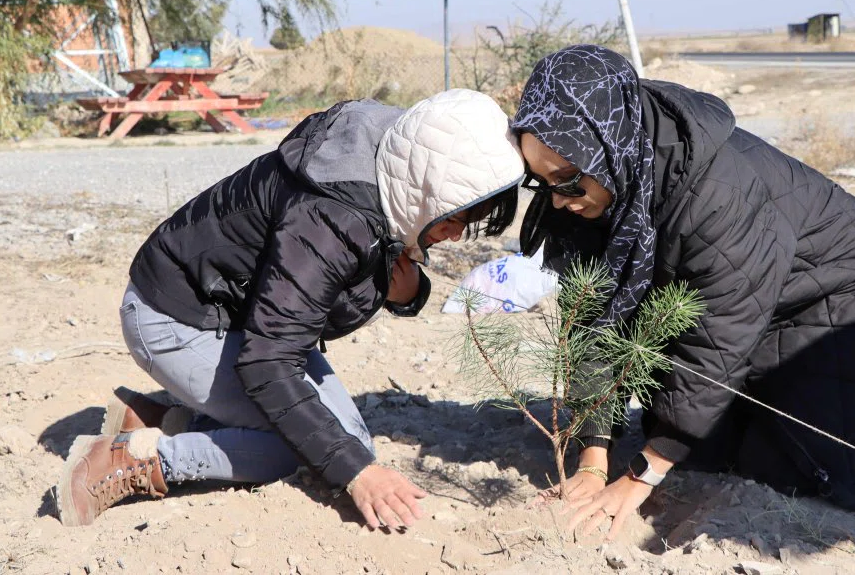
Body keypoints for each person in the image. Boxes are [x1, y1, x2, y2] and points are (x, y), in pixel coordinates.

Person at [510, 45, 855, 537]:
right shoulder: (605, 180)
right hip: (756, 314)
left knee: (842, 476)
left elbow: (717, 340)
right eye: (541, 183)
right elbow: (592, 316)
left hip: (842, 309)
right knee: (705, 456)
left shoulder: (718, 196)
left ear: (608, 145)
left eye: (568, 181)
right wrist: (594, 460)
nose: (559, 200)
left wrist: (639, 475)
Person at [55, 89, 524, 530]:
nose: (460, 234)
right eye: (460, 216)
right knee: (299, 449)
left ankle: (165, 418)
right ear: (428, 189)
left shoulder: (391, 160)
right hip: (175, 317)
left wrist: (404, 287)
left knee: (347, 444)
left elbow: (325, 292)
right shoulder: (331, 216)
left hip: (240, 316)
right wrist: (358, 476)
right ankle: (128, 460)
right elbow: (268, 360)